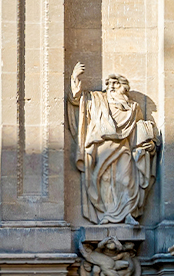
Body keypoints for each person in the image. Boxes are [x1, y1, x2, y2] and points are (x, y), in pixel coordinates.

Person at [66, 62, 159, 226]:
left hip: (123, 150)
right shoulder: (97, 100)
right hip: (102, 149)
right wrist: (75, 78)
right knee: (105, 181)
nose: (113, 88)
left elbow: (138, 131)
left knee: (127, 180)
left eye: (117, 85)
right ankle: (108, 215)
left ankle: (128, 214)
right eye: (110, 85)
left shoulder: (133, 108)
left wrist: (147, 144)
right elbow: (77, 101)